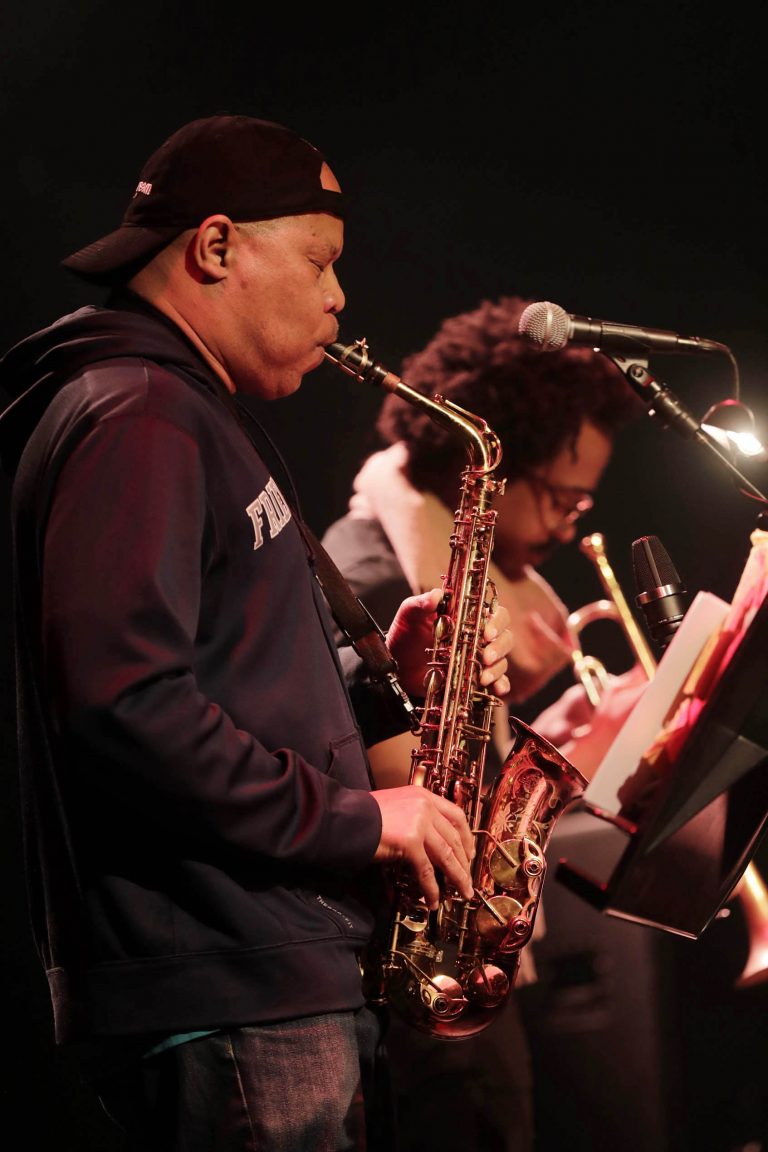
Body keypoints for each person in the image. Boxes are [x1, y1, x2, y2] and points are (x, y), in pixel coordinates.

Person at [0, 115, 518, 1152]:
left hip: (256, 985)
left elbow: (211, 678)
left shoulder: (187, 412)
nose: (339, 296)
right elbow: (127, 708)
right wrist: (365, 820)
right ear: (218, 246)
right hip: (230, 990)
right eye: (322, 260)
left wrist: (386, 671)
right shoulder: (139, 414)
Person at [321, 294, 648, 1152]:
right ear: (499, 472)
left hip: (452, 989)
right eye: (563, 499)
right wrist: (585, 753)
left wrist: (564, 743)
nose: (569, 525)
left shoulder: (423, 557)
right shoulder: (376, 575)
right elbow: (422, 814)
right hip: (428, 991)